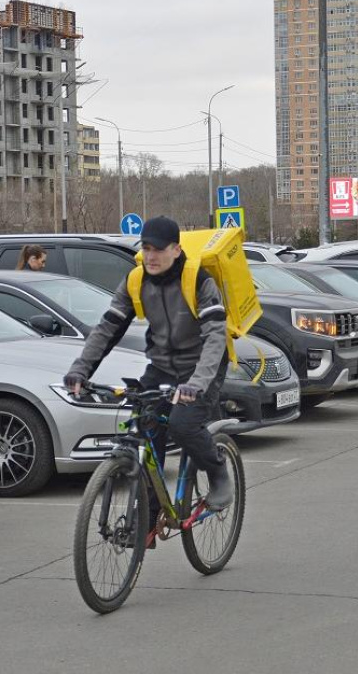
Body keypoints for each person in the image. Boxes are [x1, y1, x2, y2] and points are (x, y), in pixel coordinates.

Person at [63, 216, 233, 511]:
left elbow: (215, 339)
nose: (150, 256)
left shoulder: (199, 282)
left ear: (176, 250)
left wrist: (197, 384)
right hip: (162, 367)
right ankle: (150, 513)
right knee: (146, 429)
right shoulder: (135, 281)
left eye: (158, 249)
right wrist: (81, 369)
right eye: (146, 248)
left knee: (183, 425)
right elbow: (107, 329)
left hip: (202, 368)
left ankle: (217, 472)